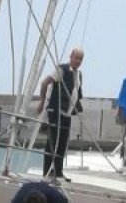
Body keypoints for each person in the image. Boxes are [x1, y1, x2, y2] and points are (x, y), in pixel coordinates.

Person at [37, 47, 84, 179]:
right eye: (76, 58)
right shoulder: (62, 70)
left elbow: (77, 93)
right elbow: (45, 82)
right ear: (71, 57)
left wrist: (78, 108)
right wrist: (41, 101)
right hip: (56, 110)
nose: (78, 61)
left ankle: (58, 172)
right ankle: (46, 171)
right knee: (52, 142)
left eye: (80, 59)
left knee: (63, 143)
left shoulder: (79, 74)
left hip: (67, 113)